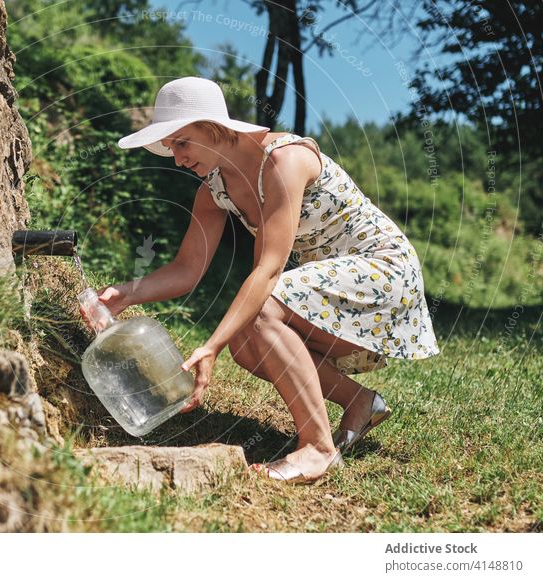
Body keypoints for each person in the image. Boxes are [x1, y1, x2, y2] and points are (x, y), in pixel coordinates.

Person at [86, 77, 439, 484]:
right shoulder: (214, 190)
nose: (176, 157)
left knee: (260, 311)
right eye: (170, 147)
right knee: (246, 343)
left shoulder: (285, 160)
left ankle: (318, 449)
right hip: (334, 285)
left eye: (182, 141)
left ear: (215, 127)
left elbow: (270, 269)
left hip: (384, 271)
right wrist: (128, 293)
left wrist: (209, 345)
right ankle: (359, 401)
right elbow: (187, 268)